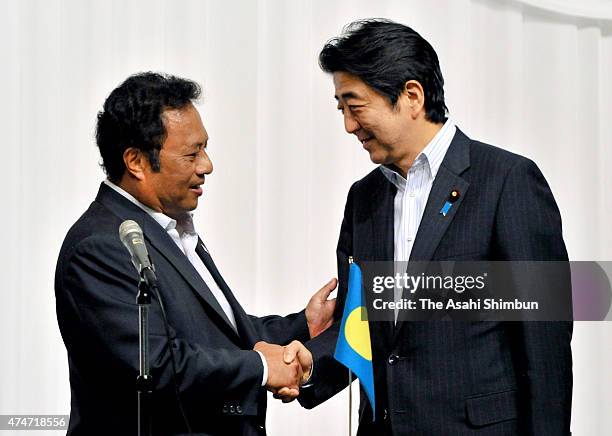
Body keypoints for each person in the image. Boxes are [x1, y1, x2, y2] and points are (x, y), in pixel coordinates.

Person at [279, 19, 573, 435]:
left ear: (411, 96)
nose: (348, 125)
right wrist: (310, 365)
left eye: (355, 105)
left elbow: (544, 344)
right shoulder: (364, 198)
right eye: (340, 108)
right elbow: (359, 322)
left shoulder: (507, 181)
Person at [54, 72, 336, 436]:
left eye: (205, 148)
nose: (207, 165)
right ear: (136, 162)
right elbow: (153, 362)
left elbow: (215, 335)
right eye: (192, 154)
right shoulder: (101, 246)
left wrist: (303, 325)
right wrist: (262, 368)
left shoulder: (171, 228)